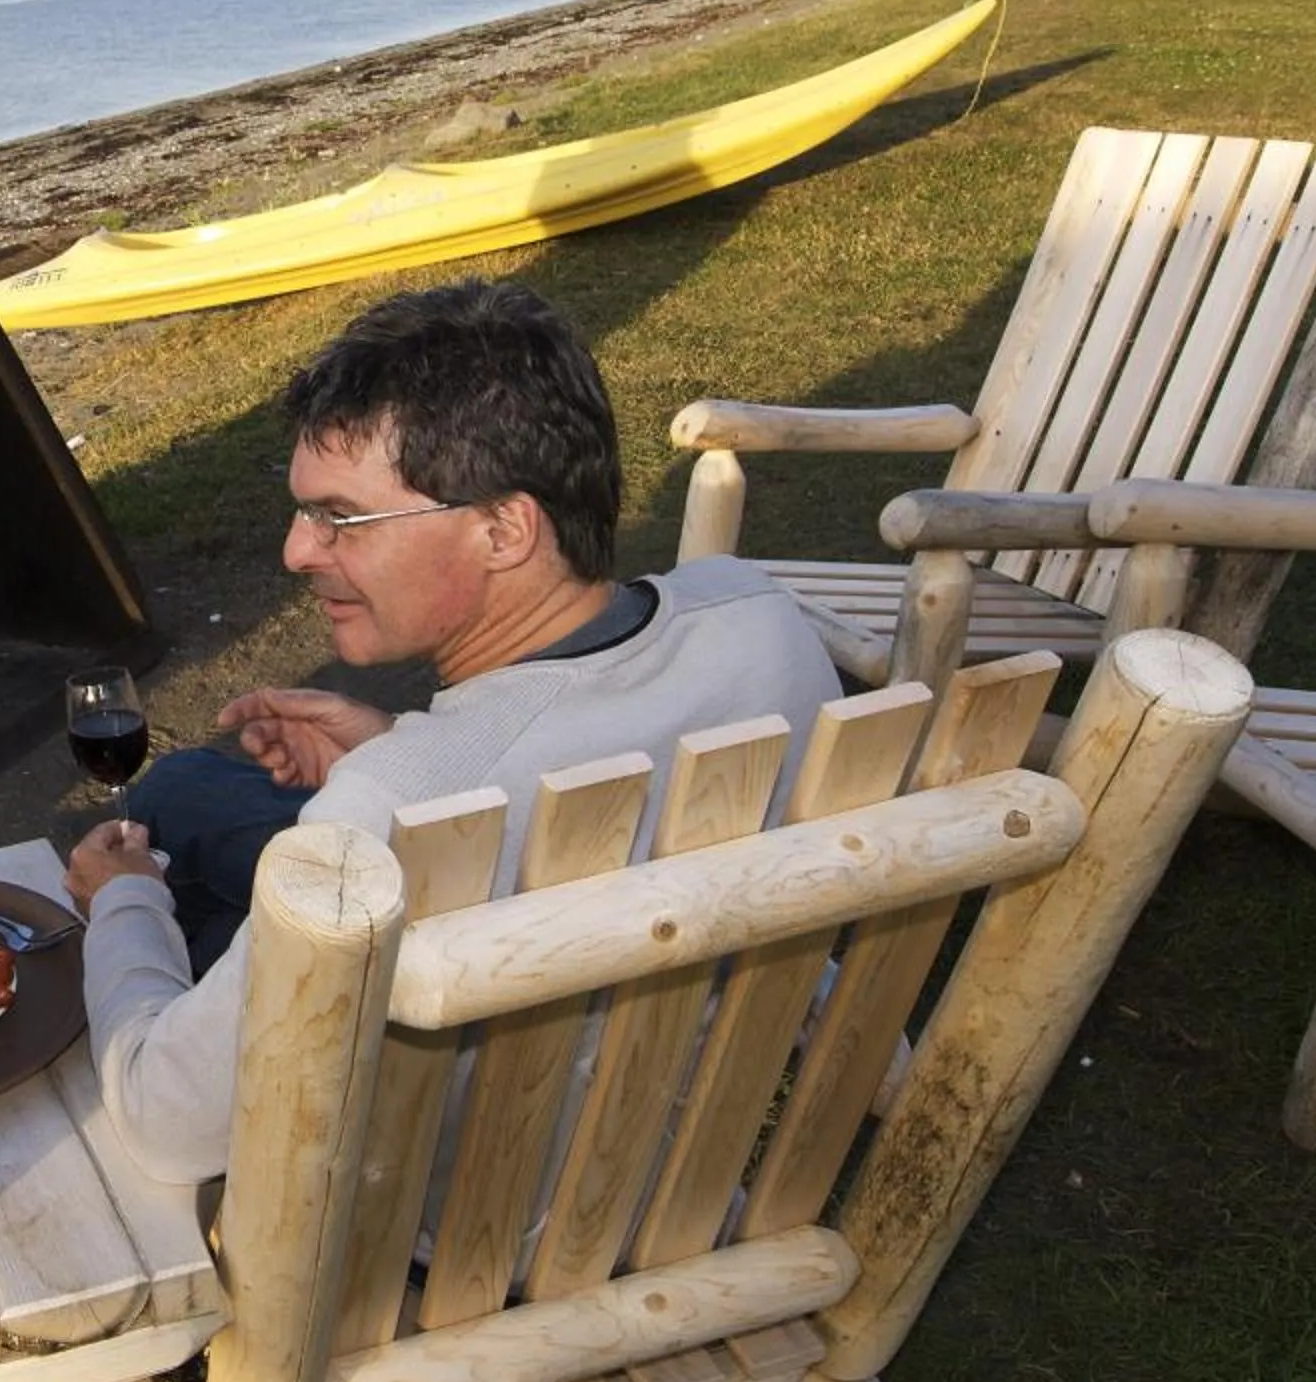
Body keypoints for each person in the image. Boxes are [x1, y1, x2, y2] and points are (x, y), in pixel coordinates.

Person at [62, 280, 838, 1183]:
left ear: (504, 528)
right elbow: (581, 752)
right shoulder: (758, 611)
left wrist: (122, 905)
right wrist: (396, 739)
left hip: (472, 1197)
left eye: (340, 518)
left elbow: (166, 1125)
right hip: (671, 1086)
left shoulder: (395, 804)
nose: (297, 553)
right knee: (186, 785)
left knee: (151, 870)